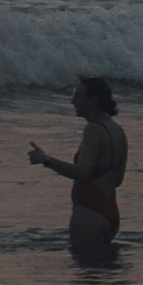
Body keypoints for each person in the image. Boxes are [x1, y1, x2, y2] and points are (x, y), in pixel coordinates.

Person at [27, 76, 128, 262]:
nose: (73, 102)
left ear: (94, 101)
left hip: (89, 213)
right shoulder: (117, 130)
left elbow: (81, 172)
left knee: (86, 281)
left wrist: (45, 159)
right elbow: (118, 179)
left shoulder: (93, 129)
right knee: (104, 281)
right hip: (110, 211)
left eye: (78, 97)